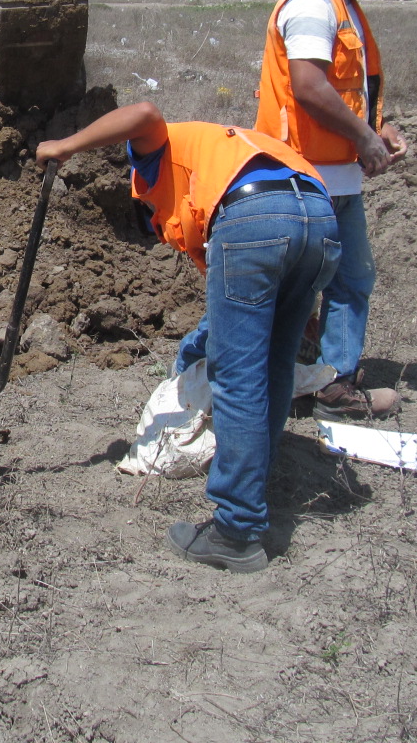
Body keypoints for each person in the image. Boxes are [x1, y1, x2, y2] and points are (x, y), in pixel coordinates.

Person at [37, 104, 339, 574]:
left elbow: (143, 113)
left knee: (237, 375)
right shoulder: (227, 147)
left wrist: (65, 146)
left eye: (154, 222)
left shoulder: (159, 157)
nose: (162, 231)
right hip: (317, 219)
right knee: (275, 364)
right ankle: (256, 479)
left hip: (255, 216)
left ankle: (236, 529)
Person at [243, 0, 417, 419]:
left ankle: (325, 379)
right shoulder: (313, 3)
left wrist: (376, 128)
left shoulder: (341, 2)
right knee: (302, 286)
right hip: (307, 177)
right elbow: (308, 87)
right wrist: (364, 138)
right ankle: (300, 383)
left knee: (344, 280)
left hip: (334, 176)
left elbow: (345, 91)